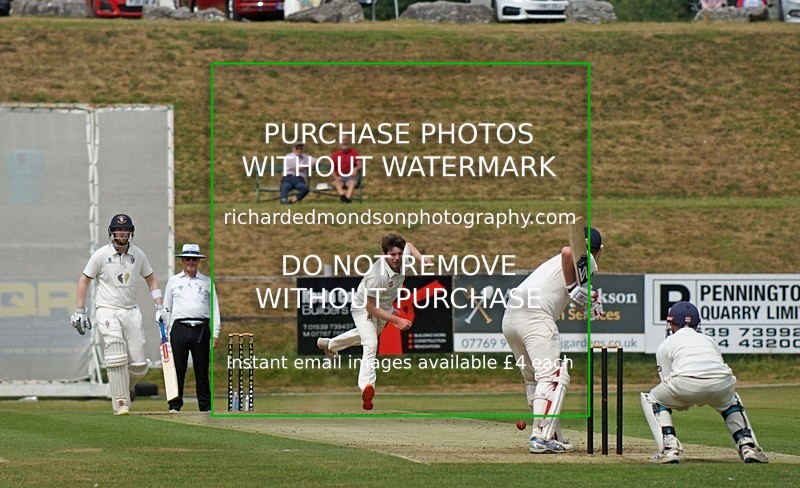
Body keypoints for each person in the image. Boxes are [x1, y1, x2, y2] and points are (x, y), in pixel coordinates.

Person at [501, 226, 604, 454]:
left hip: (511, 317)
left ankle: (552, 434)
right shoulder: (587, 260)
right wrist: (573, 288)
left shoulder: (566, 266)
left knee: (535, 380)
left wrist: (589, 303)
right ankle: (540, 437)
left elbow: (579, 291)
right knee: (554, 375)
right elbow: (568, 252)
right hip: (536, 315)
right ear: (598, 251)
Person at [641, 301, 768, 464]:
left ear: (671, 323)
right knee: (731, 402)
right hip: (722, 383)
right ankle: (749, 447)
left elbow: (667, 381)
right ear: (697, 324)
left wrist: (682, 402)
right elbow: (716, 366)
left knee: (652, 399)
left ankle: (669, 449)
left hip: (685, 384)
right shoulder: (709, 340)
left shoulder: (666, 344)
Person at [316, 234, 429, 410]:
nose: (397, 258)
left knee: (370, 335)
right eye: (392, 254)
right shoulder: (377, 275)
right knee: (371, 343)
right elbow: (371, 308)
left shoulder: (403, 258)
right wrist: (397, 320)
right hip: (364, 307)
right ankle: (367, 388)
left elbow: (410, 245)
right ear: (385, 254)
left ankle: (330, 344)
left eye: (399, 254)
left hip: (384, 306)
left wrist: (421, 259)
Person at [71, 213, 167, 415]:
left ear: (130, 233)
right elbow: (83, 280)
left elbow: (151, 279)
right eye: (118, 230)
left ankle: (121, 387)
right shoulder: (100, 255)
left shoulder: (138, 255)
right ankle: (121, 402)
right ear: (111, 233)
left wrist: (160, 306)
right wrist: (80, 311)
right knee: (116, 352)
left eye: (125, 230)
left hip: (131, 312)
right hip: (107, 310)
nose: (122, 233)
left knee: (140, 365)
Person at [163, 243, 221, 413]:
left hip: (201, 329)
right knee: (177, 369)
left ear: (198, 261)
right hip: (179, 328)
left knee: (202, 370)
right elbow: (167, 308)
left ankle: (205, 406)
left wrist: (215, 332)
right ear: (182, 260)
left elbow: (214, 308)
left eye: (194, 259)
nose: (191, 262)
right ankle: (174, 405)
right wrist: (164, 333)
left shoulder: (207, 281)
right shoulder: (174, 281)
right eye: (187, 258)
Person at [331, 135, 362, 203]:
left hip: (351, 177)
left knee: (352, 183)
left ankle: (346, 200)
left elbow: (360, 165)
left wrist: (355, 169)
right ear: (339, 143)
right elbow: (331, 170)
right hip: (339, 177)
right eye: (342, 141)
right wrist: (336, 177)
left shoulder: (354, 153)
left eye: (345, 140)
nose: (344, 142)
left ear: (349, 142)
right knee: (337, 183)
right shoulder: (335, 155)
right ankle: (343, 197)